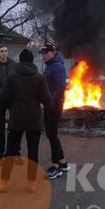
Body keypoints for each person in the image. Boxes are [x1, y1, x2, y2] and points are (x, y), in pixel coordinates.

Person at [0, 49, 51, 193]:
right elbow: (46, 99)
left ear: (20, 60)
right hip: (34, 119)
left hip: (16, 119)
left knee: (11, 150)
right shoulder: (39, 78)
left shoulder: (11, 77)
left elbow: (3, 98)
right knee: (33, 151)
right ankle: (31, 182)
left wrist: (11, 107)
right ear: (32, 61)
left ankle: (4, 181)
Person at [39, 44, 69, 180]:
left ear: (53, 52)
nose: (43, 55)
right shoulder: (51, 65)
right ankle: (62, 162)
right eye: (42, 53)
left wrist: (51, 102)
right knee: (51, 133)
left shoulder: (56, 66)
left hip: (54, 105)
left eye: (45, 53)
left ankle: (55, 166)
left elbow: (61, 86)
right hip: (50, 103)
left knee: (51, 133)